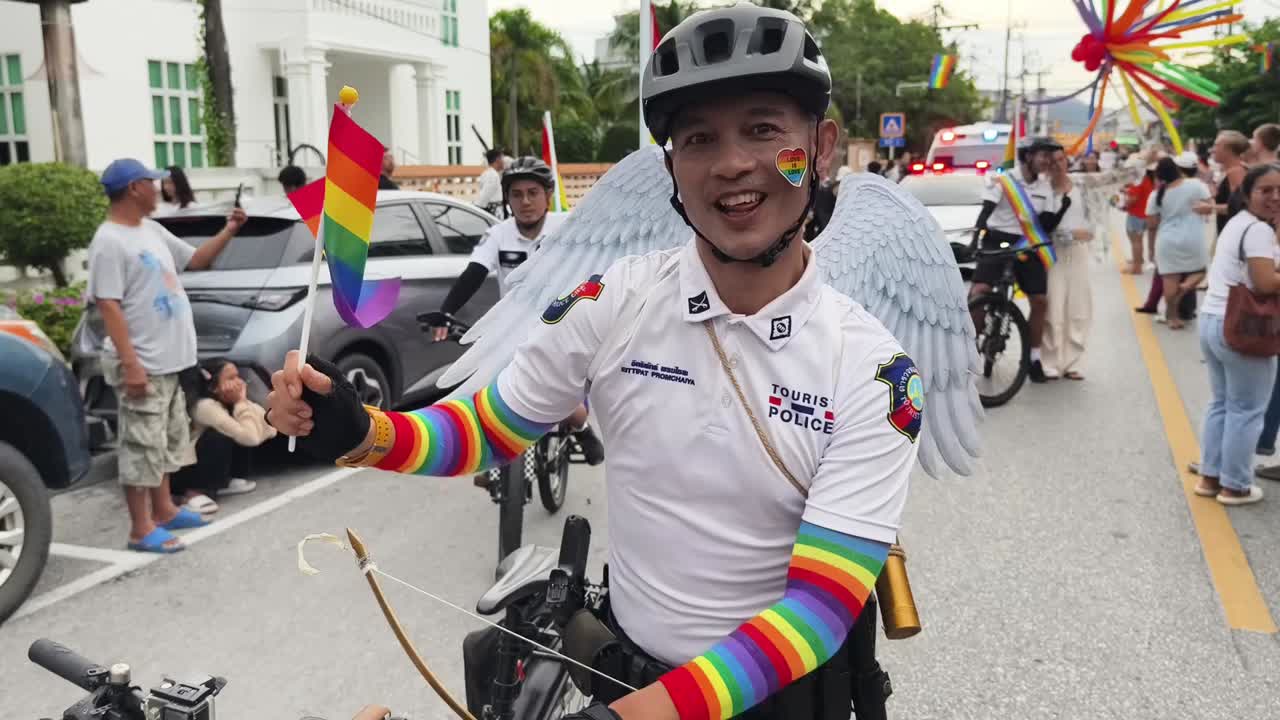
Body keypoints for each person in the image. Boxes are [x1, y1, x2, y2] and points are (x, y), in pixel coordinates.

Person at [268, 6, 920, 719]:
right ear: (671, 165)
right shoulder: (612, 301)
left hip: (766, 701)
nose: (732, 163)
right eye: (698, 138)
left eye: (763, 129)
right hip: (618, 680)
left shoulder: (876, 372)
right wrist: (364, 432)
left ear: (821, 147)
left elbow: (818, 611)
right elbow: (490, 430)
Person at [88, 158, 246, 553]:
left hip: (171, 361)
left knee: (163, 441)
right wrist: (131, 364)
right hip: (143, 362)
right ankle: (141, 529)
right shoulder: (109, 241)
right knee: (141, 444)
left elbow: (197, 259)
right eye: (151, 183)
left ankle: (164, 511)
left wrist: (229, 230)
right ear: (132, 189)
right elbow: (108, 306)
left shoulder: (151, 229)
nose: (159, 189)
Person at [424, 156, 603, 466]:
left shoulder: (569, 227)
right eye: (516, 195)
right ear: (507, 200)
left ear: (547, 195)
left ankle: (583, 428)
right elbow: (474, 272)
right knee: (488, 392)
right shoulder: (499, 234)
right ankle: (496, 469)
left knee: (561, 393)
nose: (525, 202)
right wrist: (445, 311)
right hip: (513, 330)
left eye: (533, 193)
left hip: (562, 323)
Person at [1193, 163, 1280, 506]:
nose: (1274, 197)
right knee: (1247, 409)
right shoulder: (1257, 230)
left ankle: (1210, 477)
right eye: (1266, 190)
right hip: (1242, 327)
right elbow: (1264, 282)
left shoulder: (1238, 224)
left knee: (1222, 404)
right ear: (1248, 193)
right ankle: (1236, 486)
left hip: (1214, 319)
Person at [969, 136, 1072, 383]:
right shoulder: (1003, 180)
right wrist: (974, 243)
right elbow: (985, 213)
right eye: (1043, 155)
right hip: (997, 239)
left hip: (1028, 245)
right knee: (979, 292)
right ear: (1028, 156)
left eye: (1050, 156)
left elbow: (1045, 225)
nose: (1047, 161)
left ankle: (1034, 359)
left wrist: (1063, 206)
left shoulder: (1045, 187)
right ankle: (968, 347)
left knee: (1039, 301)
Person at [170, 358, 277, 515]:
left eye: (238, 376)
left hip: (195, 463)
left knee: (238, 426)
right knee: (219, 437)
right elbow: (251, 438)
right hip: (183, 472)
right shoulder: (204, 406)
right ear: (213, 387)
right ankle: (194, 492)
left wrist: (242, 403)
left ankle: (226, 480)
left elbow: (269, 428)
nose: (239, 382)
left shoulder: (224, 402)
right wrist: (241, 402)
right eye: (231, 378)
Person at [1041, 146, 1093, 380]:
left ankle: (1072, 361)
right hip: (1052, 254)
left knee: (1078, 308)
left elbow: (1093, 223)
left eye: (1061, 160)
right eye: (1052, 161)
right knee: (1053, 308)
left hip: (1078, 251)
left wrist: (1085, 233)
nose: (1058, 165)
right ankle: (1049, 361)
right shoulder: (1042, 191)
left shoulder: (1081, 187)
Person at [1143, 154, 1213, 329]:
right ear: (1177, 170)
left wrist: (1151, 249)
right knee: (1201, 271)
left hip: (1166, 241)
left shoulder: (1155, 195)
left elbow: (1151, 225)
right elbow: (1208, 207)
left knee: (1169, 280)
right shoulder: (1195, 185)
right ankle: (1186, 286)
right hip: (1192, 238)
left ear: (1159, 176)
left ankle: (1172, 318)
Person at [1120, 154, 1156, 274]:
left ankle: (1136, 267)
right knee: (1138, 240)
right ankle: (1138, 260)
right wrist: (1126, 191)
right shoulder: (1146, 178)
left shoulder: (1137, 180)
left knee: (1135, 240)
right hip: (1145, 214)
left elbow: (1134, 198)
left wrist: (1123, 205)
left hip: (1136, 214)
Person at [474, 149, 507, 216]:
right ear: (498, 160)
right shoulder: (492, 175)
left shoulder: (489, 173)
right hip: (493, 213)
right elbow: (484, 197)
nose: (504, 162)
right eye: (502, 159)